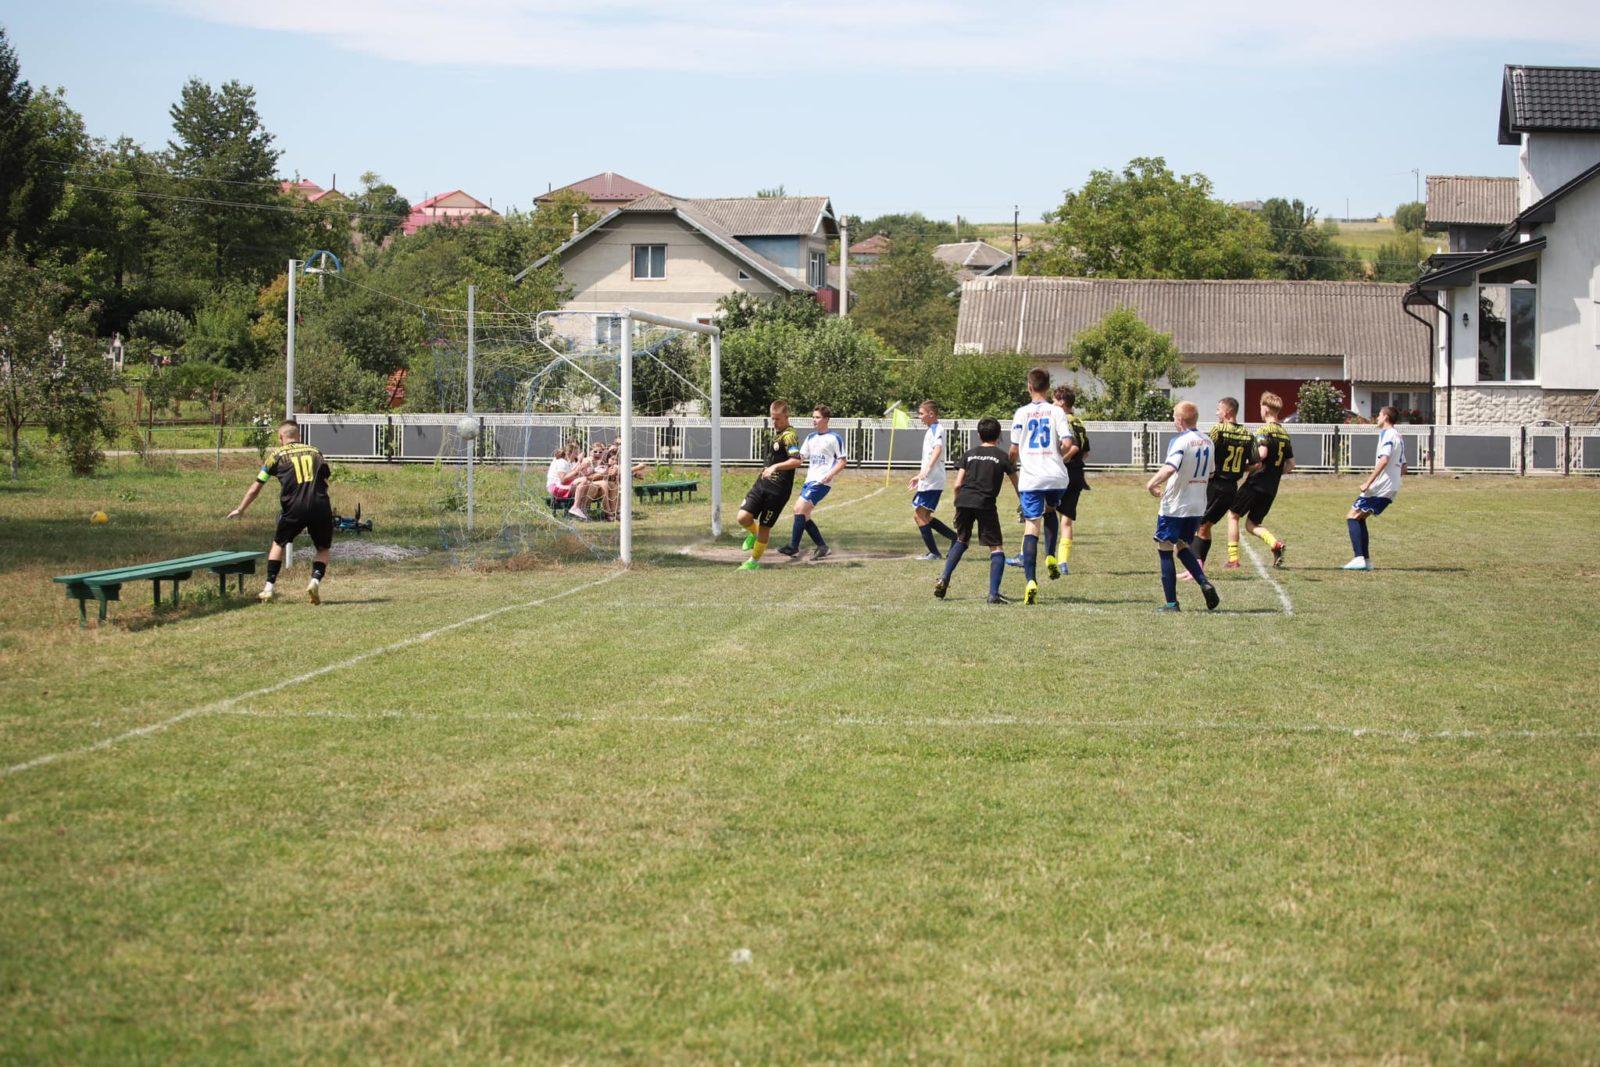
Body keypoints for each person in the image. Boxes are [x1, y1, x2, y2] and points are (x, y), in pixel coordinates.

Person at [227, 419, 333, 604]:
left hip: (293, 508)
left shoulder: (275, 456)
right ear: (299, 436)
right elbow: (325, 481)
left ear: (280, 437)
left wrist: (241, 508)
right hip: (320, 505)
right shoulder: (315, 452)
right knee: (323, 548)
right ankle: (315, 580)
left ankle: (269, 587)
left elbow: (256, 487)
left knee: (278, 544)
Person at [1144, 401, 1220, 613]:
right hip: (1197, 505)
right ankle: (1204, 582)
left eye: (1174, 417)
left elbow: (1170, 467)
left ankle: (1171, 603)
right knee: (1182, 545)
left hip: (1175, 505)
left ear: (1180, 420)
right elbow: (1211, 473)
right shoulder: (1208, 441)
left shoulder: (1180, 440)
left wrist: (1151, 483)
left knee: (1165, 550)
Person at [933, 417, 1019, 604]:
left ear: (979, 435)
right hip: (985, 503)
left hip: (964, 500)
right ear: (999, 436)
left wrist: (957, 506)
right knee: (996, 548)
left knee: (961, 540)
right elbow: (1016, 484)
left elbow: (957, 484)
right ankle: (993, 594)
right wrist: (1024, 504)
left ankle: (944, 577)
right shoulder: (1002, 456)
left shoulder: (969, 454)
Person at [1009, 367, 1072, 605]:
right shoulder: (1056, 412)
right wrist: (1056, 453)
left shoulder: (1021, 413)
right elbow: (1067, 443)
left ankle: (1030, 581)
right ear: (1048, 386)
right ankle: (1051, 556)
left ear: (1029, 386)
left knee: (1031, 526)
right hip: (1056, 476)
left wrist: (1012, 464)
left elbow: (1014, 449)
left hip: (1032, 477)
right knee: (1051, 511)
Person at [1191, 397, 1258, 575]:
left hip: (1216, 486)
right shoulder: (1248, 434)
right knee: (1203, 525)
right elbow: (1256, 463)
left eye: (1219, 409)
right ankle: (1195, 566)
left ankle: (1196, 569)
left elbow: (1205, 450)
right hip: (1231, 488)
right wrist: (1238, 468)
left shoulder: (1218, 430)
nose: (1216, 413)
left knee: (1202, 525)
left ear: (1227, 412)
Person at [1228, 391, 1293, 567]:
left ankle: (1233, 559)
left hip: (1256, 482)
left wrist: (1247, 463)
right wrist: (1276, 471)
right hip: (1272, 486)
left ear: (1265, 409)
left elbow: (1262, 454)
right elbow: (1291, 464)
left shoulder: (1264, 430)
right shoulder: (1283, 433)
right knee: (1252, 524)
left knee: (1233, 515)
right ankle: (1275, 544)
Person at [736, 400, 802, 571]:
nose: (774, 423)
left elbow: (796, 460)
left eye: (777, 419)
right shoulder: (779, 433)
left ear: (787, 417)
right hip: (762, 484)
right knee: (742, 517)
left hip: (778, 491)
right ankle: (754, 533)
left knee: (765, 527)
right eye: (772, 419)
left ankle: (753, 562)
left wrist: (775, 467)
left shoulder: (789, 436)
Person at [780, 404, 846, 562]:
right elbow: (800, 458)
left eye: (817, 417)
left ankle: (793, 546)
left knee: (799, 508)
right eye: (813, 417)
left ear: (826, 419)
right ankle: (823, 547)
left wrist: (830, 475)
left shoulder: (834, 438)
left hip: (822, 482)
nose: (814, 420)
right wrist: (789, 450)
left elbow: (842, 461)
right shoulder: (810, 438)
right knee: (805, 515)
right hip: (810, 481)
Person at [1343, 405, 1406, 571]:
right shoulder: (1398, 436)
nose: (1377, 418)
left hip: (1381, 485)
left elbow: (1384, 460)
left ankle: (1358, 558)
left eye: (1379, 415)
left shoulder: (1388, 434)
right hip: (1392, 486)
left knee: (1352, 516)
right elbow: (1404, 467)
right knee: (1360, 517)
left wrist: (1368, 482)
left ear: (1385, 417)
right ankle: (1366, 561)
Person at [908, 400, 959, 560]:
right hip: (929, 479)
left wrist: (926, 472)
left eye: (921, 414)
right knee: (924, 516)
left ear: (931, 414)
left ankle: (935, 553)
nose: (919, 417)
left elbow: (938, 449)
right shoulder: (931, 429)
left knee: (919, 515)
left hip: (932, 479)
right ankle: (955, 538)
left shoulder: (938, 429)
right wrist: (920, 474)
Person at [1051, 385, 1090, 575]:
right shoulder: (1079, 421)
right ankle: (1063, 562)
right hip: (1077, 474)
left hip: (1062, 474)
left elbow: (1073, 447)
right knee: (1066, 520)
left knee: (1043, 513)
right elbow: (1086, 451)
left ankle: (1027, 555)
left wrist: (1060, 460)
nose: (1052, 404)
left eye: (1054, 401)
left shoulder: (1063, 420)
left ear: (1062, 403)